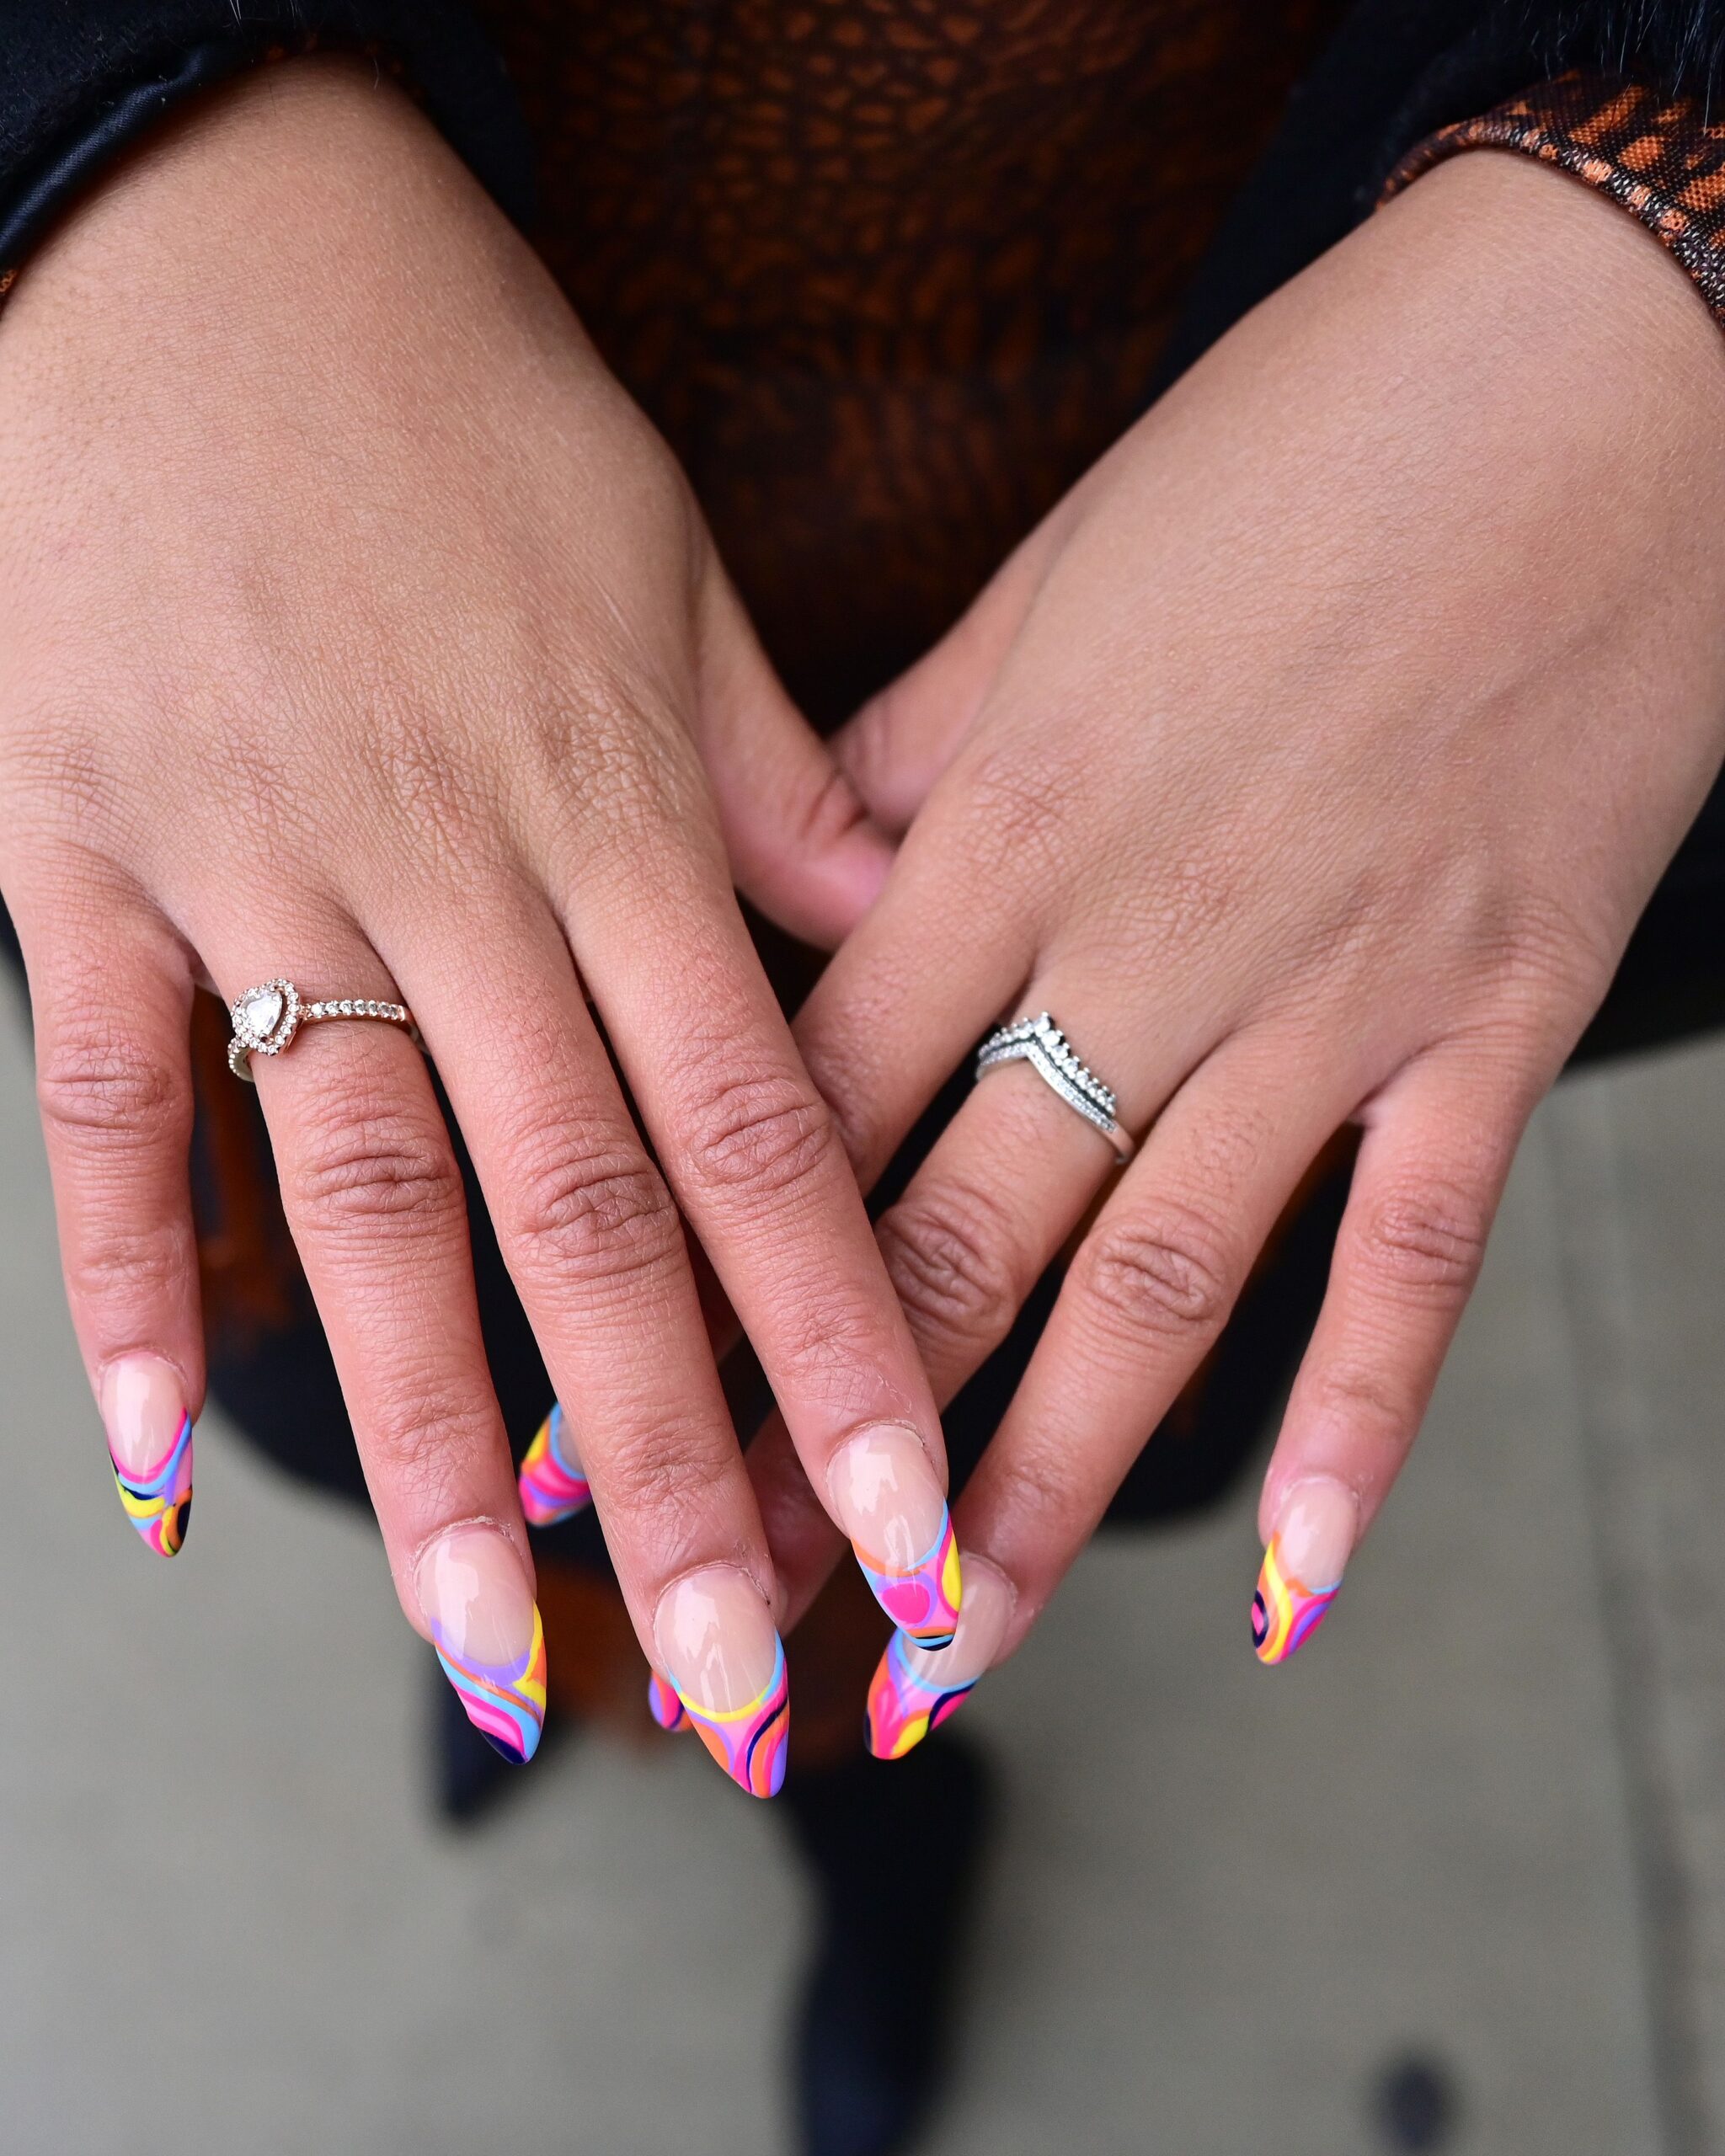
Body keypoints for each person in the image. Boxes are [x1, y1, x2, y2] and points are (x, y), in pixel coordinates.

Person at [3, 3, 1724, 2148]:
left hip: (1237, 442)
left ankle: (861, 1807)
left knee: (972, 1414)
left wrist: (1673, 235)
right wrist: (98, 125)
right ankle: (536, 1634)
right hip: (274, 499)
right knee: (406, 1310)